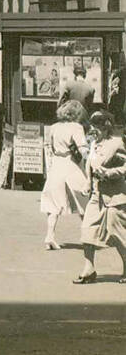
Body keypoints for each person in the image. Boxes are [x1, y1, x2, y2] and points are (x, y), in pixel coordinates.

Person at [74, 108, 126, 284]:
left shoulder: (117, 143)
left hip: (115, 196)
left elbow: (125, 167)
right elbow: (89, 163)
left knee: (117, 235)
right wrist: (88, 182)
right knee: (87, 231)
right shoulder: (94, 143)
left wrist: (109, 173)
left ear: (106, 127)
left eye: (96, 127)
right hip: (96, 195)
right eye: (91, 126)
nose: (92, 130)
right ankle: (89, 270)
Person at [40, 100, 89, 250]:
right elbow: (83, 148)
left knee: (53, 203)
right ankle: (88, 235)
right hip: (70, 165)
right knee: (84, 199)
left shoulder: (54, 127)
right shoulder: (76, 127)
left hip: (56, 165)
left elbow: (48, 146)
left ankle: (50, 236)